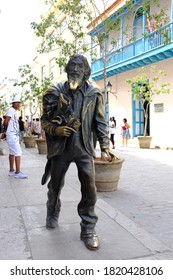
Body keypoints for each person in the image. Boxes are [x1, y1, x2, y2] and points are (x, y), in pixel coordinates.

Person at [41, 54, 115, 251]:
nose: (75, 69)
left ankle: (88, 228)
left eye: (79, 67)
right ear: (67, 69)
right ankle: (52, 212)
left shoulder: (95, 93)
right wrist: (56, 130)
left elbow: (100, 122)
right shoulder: (54, 92)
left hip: (84, 148)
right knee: (55, 185)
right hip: (61, 148)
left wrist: (105, 146)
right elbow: (44, 121)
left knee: (89, 188)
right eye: (72, 66)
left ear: (86, 72)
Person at [4, 97, 27, 179]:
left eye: (18, 102)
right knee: (18, 152)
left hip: (12, 135)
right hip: (12, 135)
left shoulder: (13, 111)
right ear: (13, 103)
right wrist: (5, 131)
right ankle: (17, 172)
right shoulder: (11, 110)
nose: (17, 104)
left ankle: (11, 171)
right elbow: (5, 121)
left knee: (12, 153)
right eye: (16, 102)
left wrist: (6, 132)